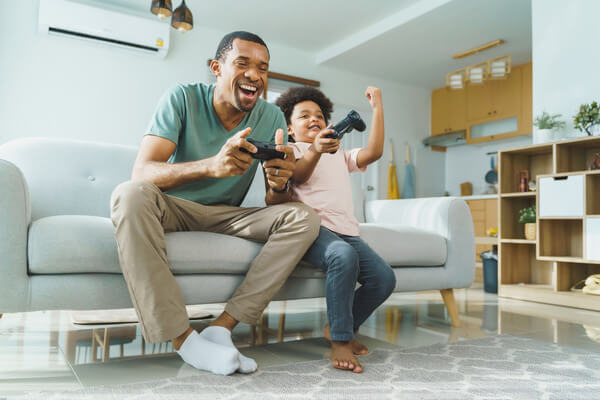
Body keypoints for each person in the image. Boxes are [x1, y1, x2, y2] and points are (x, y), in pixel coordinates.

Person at [110, 31, 320, 376]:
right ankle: (185, 341)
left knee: (303, 217)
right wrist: (210, 166)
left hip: (226, 215)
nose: (255, 75)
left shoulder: (271, 117)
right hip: (172, 207)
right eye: (243, 63)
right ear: (216, 68)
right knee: (129, 194)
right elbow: (142, 171)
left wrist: (279, 183)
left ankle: (221, 329)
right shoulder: (181, 97)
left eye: (263, 69)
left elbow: (274, 201)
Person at [274, 86, 396, 373]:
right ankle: (342, 340)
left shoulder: (339, 154)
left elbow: (374, 151)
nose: (313, 119)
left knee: (384, 278)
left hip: (346, 231)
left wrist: (377, 108)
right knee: (342, 255)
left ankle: (340, 326)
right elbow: (300, 177)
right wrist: (315, 147)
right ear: (290, 129)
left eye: (319, 115)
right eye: (304, 116)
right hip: (313, 230)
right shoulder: (292, 150)